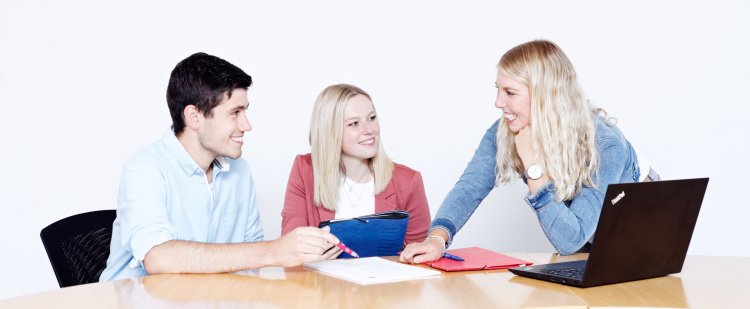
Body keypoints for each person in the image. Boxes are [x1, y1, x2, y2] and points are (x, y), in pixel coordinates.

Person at [400, 40, 660, 264]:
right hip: (584, 236)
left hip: (641, 232)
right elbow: (470, 186)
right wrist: (437, 238)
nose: (498, 102)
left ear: (546, 96)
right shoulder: (507, 130)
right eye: (498, 89)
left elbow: (570, 240)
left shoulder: (605, 145)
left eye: (510, 92)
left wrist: (534, 169)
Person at [100, 52, 341, 281]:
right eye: (235, 113)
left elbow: (251, 258)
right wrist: (274, 251)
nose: (247, 125)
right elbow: (158, 257)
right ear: (194, 117)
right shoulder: (145, 168)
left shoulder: (239, 171)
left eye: (245, 111)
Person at [281, 84, 430, 246]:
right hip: (318, 272)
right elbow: (292, 248)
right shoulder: (305, 170)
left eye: (371, 118)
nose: (369, 129)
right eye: (354, 123)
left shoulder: (408, 181)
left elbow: (420, 258)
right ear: (330, 130)